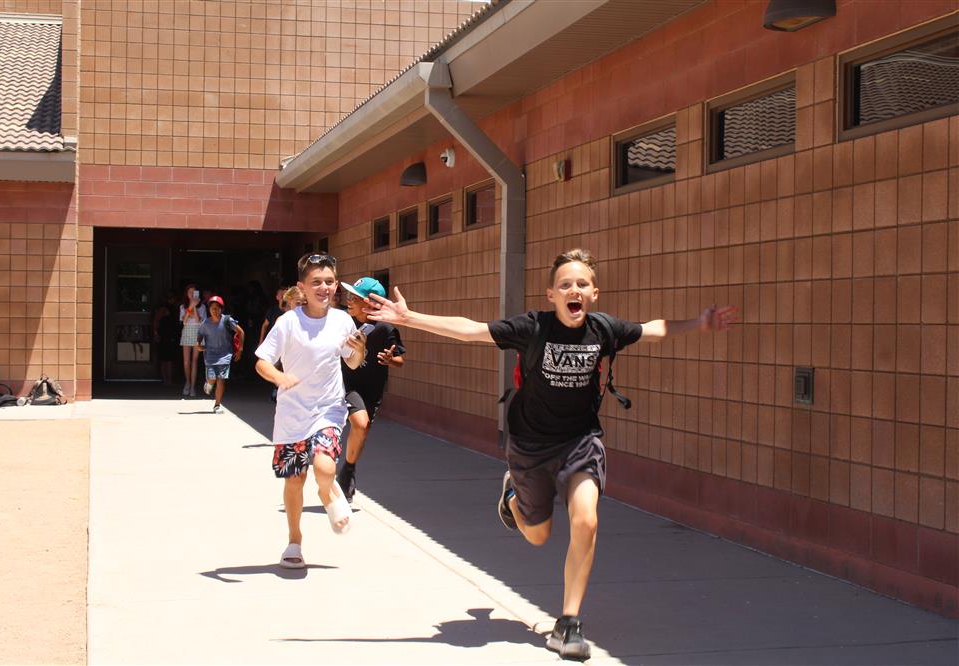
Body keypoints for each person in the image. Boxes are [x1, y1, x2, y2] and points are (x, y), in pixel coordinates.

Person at [367, 248, 738, 660]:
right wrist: (410, 318)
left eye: (581, 284)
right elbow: (471, 330)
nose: (573, 289)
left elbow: (653, 328)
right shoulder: (532, 327)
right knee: (538, 535)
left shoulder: (605, 330)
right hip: (529, 445)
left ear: (594, 293)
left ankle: (568, 623)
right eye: (565, 284)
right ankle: (514, 498)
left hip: (580, 441)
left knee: (587, 519)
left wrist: (698, 323)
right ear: (551, 294)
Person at [254, 253, 366, 569]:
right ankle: (294, 540)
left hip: (328, 409)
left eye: (329, 282)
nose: (324, 288)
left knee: (325, 469)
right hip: (292, 414)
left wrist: (359, 352)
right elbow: (262, 361)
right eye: (316, 282)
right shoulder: (288, 322)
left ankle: (330, 495)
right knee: (294, 480)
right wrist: (279, 377)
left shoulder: (343, 320)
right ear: (302, 287)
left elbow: (352, 362)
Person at [336, 276, 406, 503]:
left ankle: (348, 469)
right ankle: (345, 471)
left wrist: (389, 360)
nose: (349, 300)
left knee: (362, 429)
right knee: (360, 423)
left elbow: (399, 360)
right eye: (348, 295)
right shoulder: (344, 323)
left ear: (370, 303)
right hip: (347, 384)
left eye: (354, 298)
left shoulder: (385, 329)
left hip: (372, 388)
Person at [196, 295, 245, 414]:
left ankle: (217, 405)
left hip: (225, 355)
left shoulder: (227, 320)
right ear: (209, 310)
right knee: (212, 378)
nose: (215, 310)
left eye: (217, 308)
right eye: (212, 308)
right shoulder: (205, 323)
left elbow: (241, 332)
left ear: (221, 309)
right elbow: (200, 335)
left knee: (221, 380)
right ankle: (209, 383)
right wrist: (198, 344)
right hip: (210, 355)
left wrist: (240, 349)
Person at [179, 284, 206, 397]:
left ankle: (193, 386)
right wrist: (190, 306)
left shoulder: (202, 307)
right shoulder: (182, 306)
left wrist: (195, 306)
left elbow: (198, 320)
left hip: (197, 332)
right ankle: (188, 383)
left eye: (194, 292)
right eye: (190, 292)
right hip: (187, 331)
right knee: (186, 361)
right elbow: (184, 321)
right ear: (186, 294)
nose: (192, 294)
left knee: (194, 361)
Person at [153, 292, 181, 385]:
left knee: (167, 359)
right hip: (165, 336)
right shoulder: (164, 308)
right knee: (167, 359)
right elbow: (156, 320)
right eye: (173, 299)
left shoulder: (173, 308)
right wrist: (156, 333)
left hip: (169, 336)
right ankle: (167, 380)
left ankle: (167, 380)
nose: (174, 301)